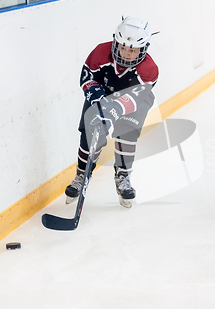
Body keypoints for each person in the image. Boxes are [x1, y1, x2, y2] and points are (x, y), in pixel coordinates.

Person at [65, 16, 159, 208]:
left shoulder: (149, 69)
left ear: (144, 49)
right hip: (102, 94)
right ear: (115, 41)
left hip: (134, 101)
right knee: (90, 132)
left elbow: (134, 98)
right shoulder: (100, 52)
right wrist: (100, 102)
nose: (126, 53)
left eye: (132, 50)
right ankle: (82, 174)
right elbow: (87, 78)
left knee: (127, 132)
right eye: (123, 47)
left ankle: (123, 175)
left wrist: (113, 110)